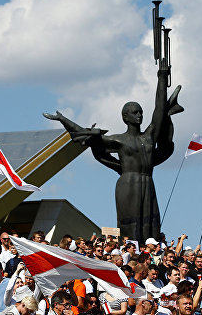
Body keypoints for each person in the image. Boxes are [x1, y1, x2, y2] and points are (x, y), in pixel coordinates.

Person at [44, 58, 181, 241]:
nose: (140, 115)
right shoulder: (119, 140)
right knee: (130, 225)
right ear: (125, 117)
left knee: (151, 226)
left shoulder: (148, 137)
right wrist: (64, 120)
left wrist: (161, 77)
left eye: (140, 112)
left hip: (148, 182)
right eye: (135, 112)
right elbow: (89, 136)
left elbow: (159, 110)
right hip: (128, 183)